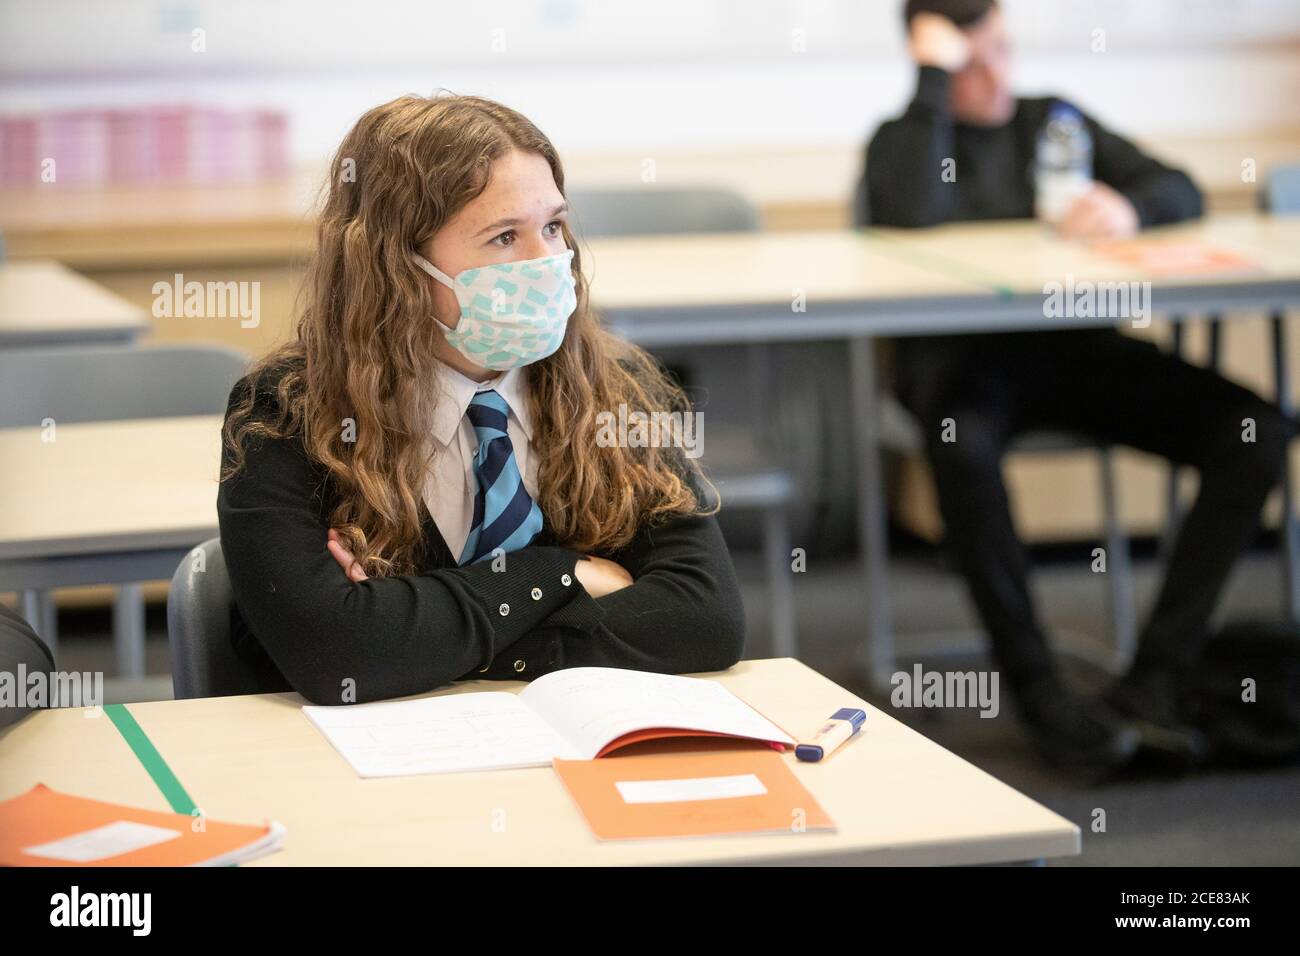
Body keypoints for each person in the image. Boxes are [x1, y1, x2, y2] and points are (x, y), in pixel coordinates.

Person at [857, 0, 1296, 773]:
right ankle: (1040, 692)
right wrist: (933, 80)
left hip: (1077, 355)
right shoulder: (905, 142)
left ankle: (1153, 681)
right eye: (970, 60)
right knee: (960, 452)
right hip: (963, 372)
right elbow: (907, 214)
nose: (995, 72)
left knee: (1253, 430)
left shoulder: (1052, 121)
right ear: (931, 64)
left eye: (999, 49)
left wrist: (1128, 206)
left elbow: (1179, 188)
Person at [218, 95, 745, 706]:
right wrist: (562, 574)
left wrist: (429, 640)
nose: (548, 263)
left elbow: (704, 618)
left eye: (552, 226)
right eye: (503, 237)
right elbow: (338, 653)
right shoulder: (287, 411)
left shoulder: (616, 388)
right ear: (395, 264)